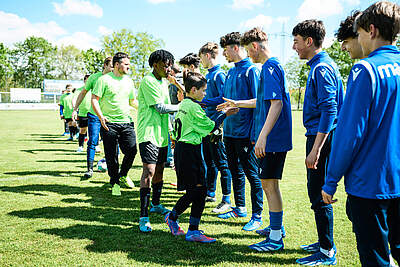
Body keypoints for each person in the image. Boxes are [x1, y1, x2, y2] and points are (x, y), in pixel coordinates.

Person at [322, 2, 400, 266]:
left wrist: (331, 179)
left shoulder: (366, 70)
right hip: (397, 181)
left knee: (375, 257)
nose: (358, 40)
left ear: (372, 31)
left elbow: (349, 134)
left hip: (370, 185)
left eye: (359, 34)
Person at [219, 27, 292, 251]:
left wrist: (261, 136)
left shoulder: (269, 67)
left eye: (249, 51)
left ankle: (275, 237)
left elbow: (276, 104)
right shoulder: (273, 65)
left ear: (254, 46)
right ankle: (275, 229)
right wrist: (237, 103)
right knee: (270, 185)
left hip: (272, 139)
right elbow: (263, 102)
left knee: (268, 185)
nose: (249, 55)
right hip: (272, 138)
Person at [292, 19, 344, 265]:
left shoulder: (321, 68)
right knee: (316, 190)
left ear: (309, 41)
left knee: (318, 192)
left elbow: (330, 109)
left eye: (297, 41)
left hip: (321, 137)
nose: (294, 47)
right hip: (320, 136)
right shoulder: (319, 65)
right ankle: (324, 240)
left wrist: (316, 149)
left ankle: (327, 251)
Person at [164, 71, 238, 243]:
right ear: (194, 90)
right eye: (203, 91)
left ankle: (192, 229)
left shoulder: (184, 104)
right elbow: (210, 127)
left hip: (186, 150)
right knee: (195, 191)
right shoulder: (193, 107)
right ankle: (174, 218)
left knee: (199, 190)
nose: (205, 94)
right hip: (189, 152)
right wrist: (226, 114)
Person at [216, 32, 264, 232]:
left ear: (235, 48)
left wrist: (238, 106)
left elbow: (258, 101)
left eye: (225, 50)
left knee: (252, 174)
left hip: (246, 134)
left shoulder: (252, 70)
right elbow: (225, 101)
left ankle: (257, 215)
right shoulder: (230, 72)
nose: (223, 54)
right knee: (235, 171)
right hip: (229, 131)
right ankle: (240, 208)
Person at [137, 49, 179, 233]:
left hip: (162, 134)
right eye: (165, 64)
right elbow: (161, 108)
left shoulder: (163, 82)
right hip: (148, 133)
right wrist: (182, 106)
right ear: (155, 64)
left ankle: (155, 204)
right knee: (149, 171)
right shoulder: (148, 81)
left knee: (161, 169)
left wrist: (174, 75)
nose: (168, 67)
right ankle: (143, 216)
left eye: (169, 64)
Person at [73, 57, 129, 183]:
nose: (113, 69)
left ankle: (111, 168)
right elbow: (83, 93)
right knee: (92, 141)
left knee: (114, 144)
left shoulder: (119, 79)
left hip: (111, 118)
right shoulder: (94, 78)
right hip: (94, 116)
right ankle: (89, 169)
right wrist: (75, 109)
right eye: (111, 67)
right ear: (105, 65)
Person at [91, 52, 138, 196]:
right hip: (109, 123)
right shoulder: (103, 80)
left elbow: (132, 101)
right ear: (117, 65)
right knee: (111, 156)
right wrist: (101, 117)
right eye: (126, 64)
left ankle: (123, 175)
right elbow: (94, 99)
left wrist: (146, 108)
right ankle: (115, 182)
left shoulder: (129, 81)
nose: (128, 67)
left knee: (132, 150)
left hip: (126, 122)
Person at [198, 42, 233, 213]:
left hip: (217, 125)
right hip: (206, 125)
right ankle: (210, 192)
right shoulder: (208, 74)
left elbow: (224, 98)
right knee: (209, 161)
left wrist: (204, 102)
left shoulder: (219, 74)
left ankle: (226, 199)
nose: (201, 61)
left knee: (222, 163)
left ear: (207, 55)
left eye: (201, 58)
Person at [74, 74, 90, 152]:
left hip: (93, 113)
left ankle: (96, 146)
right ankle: (80, 146)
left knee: (94, 131)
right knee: (82, 130)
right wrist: (75, 110)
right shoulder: (79, 90)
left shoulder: (94, 89)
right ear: (84, 81)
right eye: (87, 79)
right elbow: (74, 100)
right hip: (83, 113)